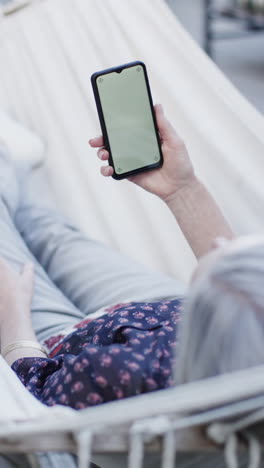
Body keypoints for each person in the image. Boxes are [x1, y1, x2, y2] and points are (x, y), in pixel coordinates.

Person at [0, 103, 262, 467]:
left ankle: (7, 164)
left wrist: (13, 323)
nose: (220, 244)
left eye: (225, 258)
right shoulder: (237, 353)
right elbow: (245, 294)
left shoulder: (124, 381)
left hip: (67, 348)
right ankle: (15, 175)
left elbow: (36, 397)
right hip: (162, 311)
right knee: (54, 235)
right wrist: (183, 189)